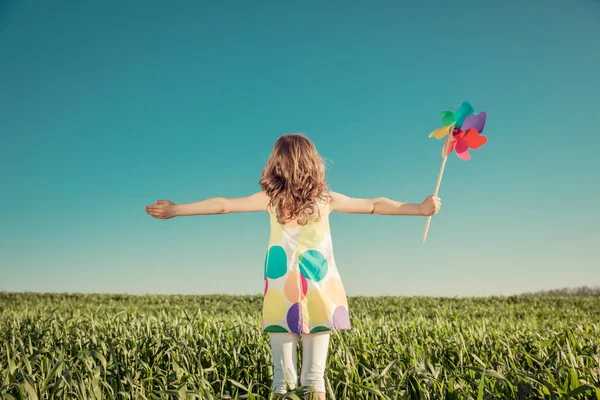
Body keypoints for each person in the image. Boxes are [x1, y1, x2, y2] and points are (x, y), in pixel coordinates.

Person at [145, 133, 441, 399]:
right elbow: (375, 204)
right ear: (314, 164)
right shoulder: (324, 199)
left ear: (276, 166)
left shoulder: (272, 200)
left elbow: (223, 204)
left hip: (281, 291)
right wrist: (418, 208)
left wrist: (177, 209)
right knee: (314, 379)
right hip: (320, 290)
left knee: (282, 380)